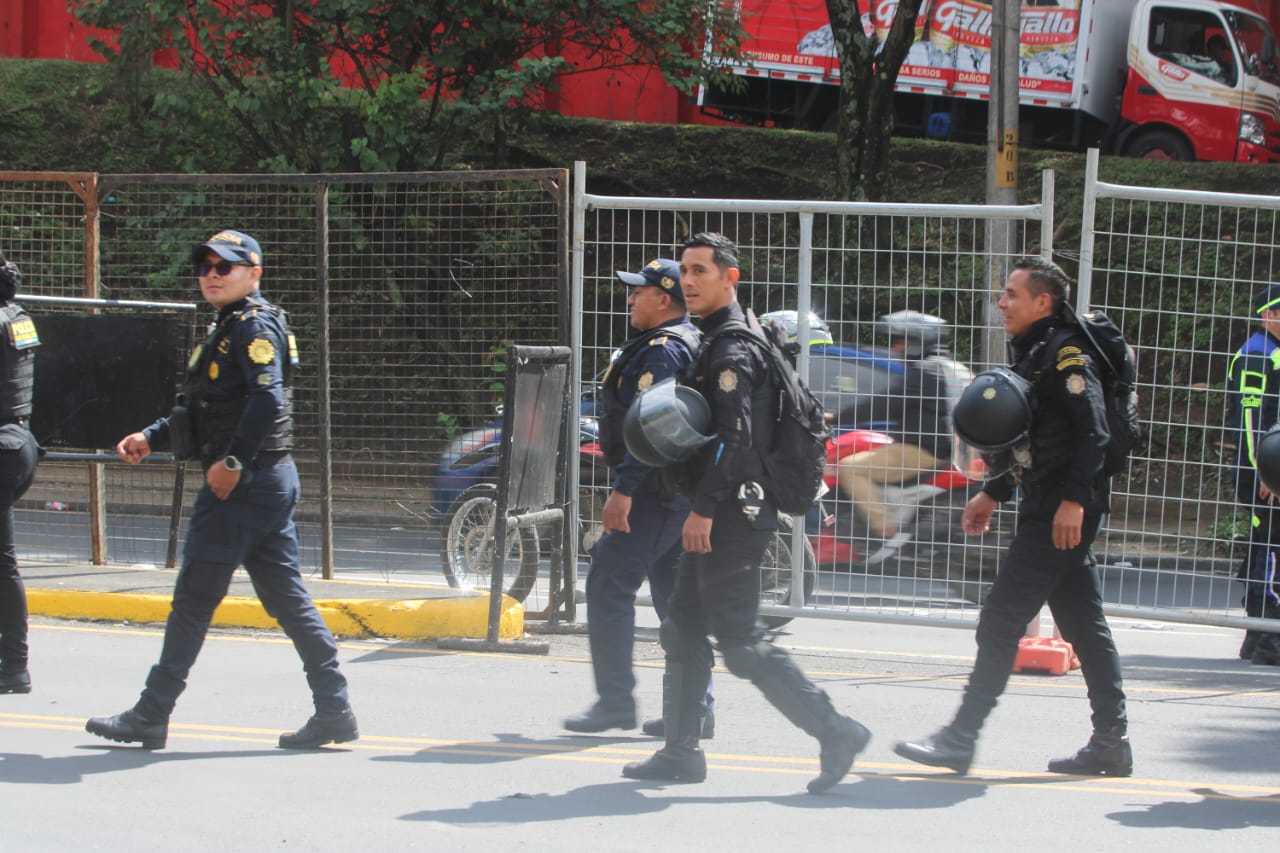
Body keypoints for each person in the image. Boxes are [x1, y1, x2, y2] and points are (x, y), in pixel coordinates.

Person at [86, 229, 357, 750]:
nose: (211, 274)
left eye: (225, 267)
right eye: (205, 265)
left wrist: (232, 462)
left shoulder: (253, 326)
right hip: (264, 483)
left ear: (253, 274)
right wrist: (152, 435)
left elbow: (267, 399)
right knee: (288, 599)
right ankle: (334, 709)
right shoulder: (228, 326)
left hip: (244, 485)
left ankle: (151, 712)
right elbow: (203, 408)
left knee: (193, 599)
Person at [622, 232, 870, 793]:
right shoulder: (724, 336)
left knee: (740, 640)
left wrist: (703, 511)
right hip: (725, 509)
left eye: (701, 271)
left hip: (733, 514)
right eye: (684, 270)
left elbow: (734, 442)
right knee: (682, 625)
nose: (688, 280)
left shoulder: (732, 349)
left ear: (729, 278)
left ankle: (835, 730)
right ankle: (681, 752)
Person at [895, 257, 1131, 777]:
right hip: (1048, 499)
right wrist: (993, 492)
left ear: (1042, 302)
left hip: (1060, 508)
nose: (1001, 303)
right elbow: (1036, 441)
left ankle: (960, 737)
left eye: (1011, 294)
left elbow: (1094, 433)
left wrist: (1073, 501)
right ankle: (1111, 742)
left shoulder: (1068, 355)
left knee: (1001, 618)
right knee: (1083, 624)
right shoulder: (1038, 352)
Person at [563, 258, 714, 736]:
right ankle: (696, 709)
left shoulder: (664, 351)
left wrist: (623, 492)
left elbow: (653, 428)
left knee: (608, 585)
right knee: (675, 600)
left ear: (663, 299)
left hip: (652, 493)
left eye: (639, 291)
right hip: (672, 494)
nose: (631, 298)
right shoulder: (672, 343)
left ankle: (615, 703)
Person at [835, 311, 953, 539]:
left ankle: (883, 530)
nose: (896, 349)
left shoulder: (925, 373)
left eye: (902, 342)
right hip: (943, 451)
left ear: (918, 342)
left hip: (920, 451)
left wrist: (835, 418)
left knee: (850, 468)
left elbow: (884, 405)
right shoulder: (946, 368)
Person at [1226, 283, 1280, 665]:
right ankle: (1266, 638)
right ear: (1269, 315)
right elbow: (1250, 421)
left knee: (1267, 543)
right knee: (1271, 546)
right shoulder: (1259, 355)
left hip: (1271, 468)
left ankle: (1257, 636)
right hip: (1264, 472)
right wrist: (1267, 473)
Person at [0, 253, 41, 695]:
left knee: (3, 563)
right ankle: (12, 665)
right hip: (19, 442)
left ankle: (14, 666)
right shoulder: (17, 316)